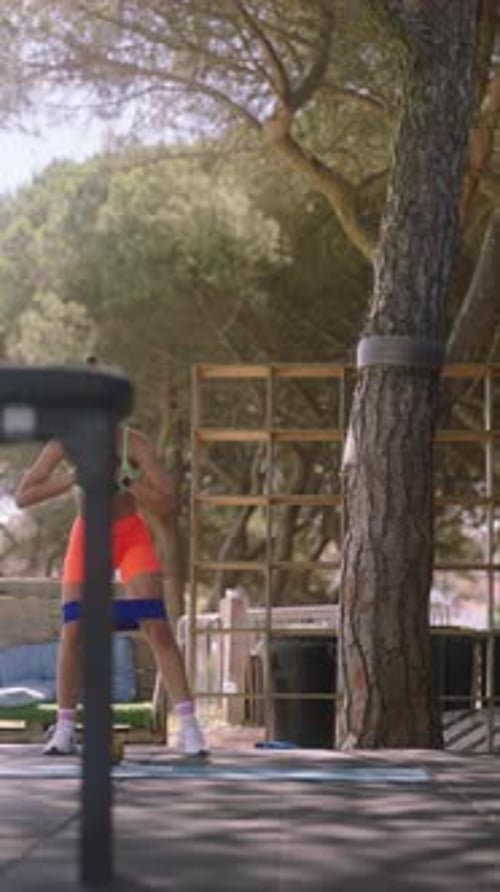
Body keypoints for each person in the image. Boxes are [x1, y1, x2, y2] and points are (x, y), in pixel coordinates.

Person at [14, 373, 208, 758]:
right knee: (74, 629)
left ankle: (189, 727)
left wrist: (129, 480)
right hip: (89, 536)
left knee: (156, 626)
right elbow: (23, 496)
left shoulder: (134, 444)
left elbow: (168, 503)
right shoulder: (65, 443)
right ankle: (65, 729)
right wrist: (72, 478)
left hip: (129, 535)